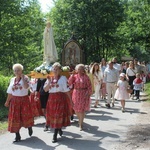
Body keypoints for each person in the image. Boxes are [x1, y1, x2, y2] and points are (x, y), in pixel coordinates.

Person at [4, 64, 34, 142]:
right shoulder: (12, 79)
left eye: (18, 70)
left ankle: (29, 127)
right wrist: (7, 101)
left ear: (21, 71)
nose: (17, 72)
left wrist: (23, 79)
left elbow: (26, 87)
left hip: (24, 100)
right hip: (14, 101)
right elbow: (10, 92)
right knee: (15, 117)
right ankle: (17, 135)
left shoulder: (26, 78)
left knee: (25, 116)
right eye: (15, 70)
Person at [44, 62, 72, 143]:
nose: (55, 70)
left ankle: (55, 135)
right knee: (54, 116)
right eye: (54, 69)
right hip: (51, 99)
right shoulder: (50, 78)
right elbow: (45, 89)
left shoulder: (63, 78)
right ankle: (59, 128)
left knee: (58, 115)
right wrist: (49, 81)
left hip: (60, 99)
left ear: (60, 70)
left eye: (57, 69)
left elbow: (67, 91)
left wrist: (71, 101)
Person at [68, 64, 92, 131]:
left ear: (83, 70)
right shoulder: (74, 76)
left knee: (81, 110)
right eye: (78, 69)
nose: (80, 70)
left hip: (84, 94)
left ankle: (81, 124)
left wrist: (88, 94)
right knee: (76, 109)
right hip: (76, 93)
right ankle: (79, 120)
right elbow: (69, 83)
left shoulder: (86, 77)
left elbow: (89, 86)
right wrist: (72, 75)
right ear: (76, 70)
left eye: (81, 69)